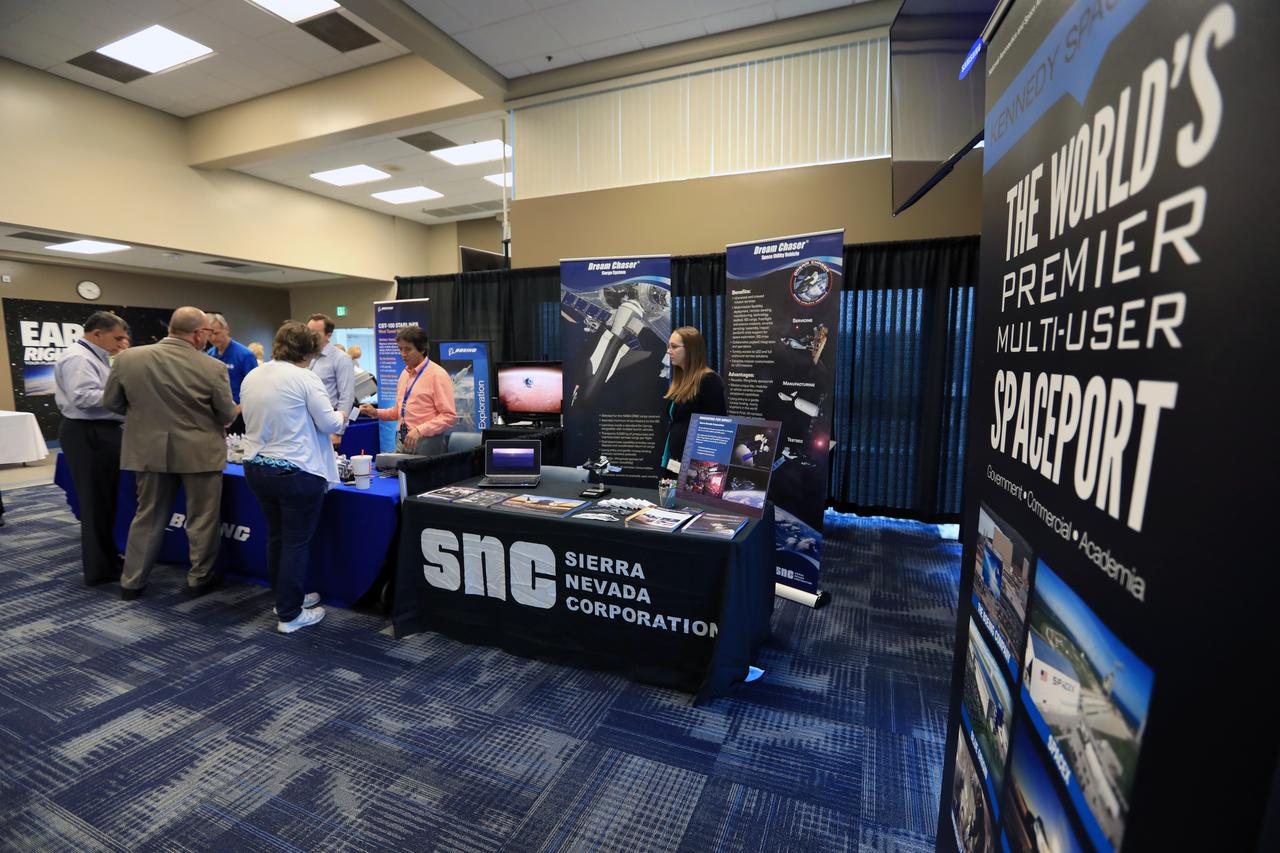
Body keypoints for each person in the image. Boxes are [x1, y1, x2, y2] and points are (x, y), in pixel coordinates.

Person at [103, 307, 238, 600]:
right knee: (201, 518)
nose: (209, 338)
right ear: (197, 333)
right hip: (199, 453)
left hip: (148, 451)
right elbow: (226, 413)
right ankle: (199, 578)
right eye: (208, 332)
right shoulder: (212, 367)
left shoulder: (128, 358)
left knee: (147, 516)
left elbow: (111, 403)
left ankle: (132, 581)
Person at [240, 321, 346, 634]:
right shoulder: (305, 377)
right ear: (308, 351)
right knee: (296, 542)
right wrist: (343, 414)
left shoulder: (253, 375)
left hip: (257, 466)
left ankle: (286, 597)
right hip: (295, 470)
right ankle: (289, 614)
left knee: (277, 536)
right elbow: (329, 424)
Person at [54, 310, 131, 586]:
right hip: (89, 433)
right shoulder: (79, 358)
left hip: (100, 432)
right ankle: (100, 569)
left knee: (104, 501)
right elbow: (83, 397)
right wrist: (125, 396)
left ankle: (107, 558)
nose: (123, 344)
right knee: (95, 503)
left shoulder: (94, 355)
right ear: (97, 333)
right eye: (118, 337)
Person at [359, 325, 454, 455]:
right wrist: (375, 412)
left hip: (427, 441)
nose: (403, 354)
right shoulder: (404, 374)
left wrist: (420, 430)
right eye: (400, 349)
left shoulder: (438, 375)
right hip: (402, 439)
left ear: (421, 349)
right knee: (394, 473)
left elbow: (448, 416)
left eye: (408, 349)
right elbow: (398, 412)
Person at [659, 326, 726, 474]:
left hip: (693, 467)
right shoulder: (681, 380)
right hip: (674, 459)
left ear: (691, 350)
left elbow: (718, 429)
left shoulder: (709, 380)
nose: (669, 351)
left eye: (674, 347)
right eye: (668, 346)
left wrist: (700, 469)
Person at [306, 313, 355, 446]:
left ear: (328, 335)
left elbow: (346, 396)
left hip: (328, 423)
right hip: (306, 424)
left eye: (315, 332)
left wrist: (338, 431)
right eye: (308, 331)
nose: (310, 335)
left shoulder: (341, 358)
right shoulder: (305, 356)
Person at [205, 311, 257, 432]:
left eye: (217, 333)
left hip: (240, 415)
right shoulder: (210, 355)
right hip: (218, 416)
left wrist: (237, 410)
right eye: (209, 334)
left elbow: (255, 389)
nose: (213, 338)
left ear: (226, 329)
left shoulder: (244, 355)